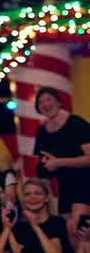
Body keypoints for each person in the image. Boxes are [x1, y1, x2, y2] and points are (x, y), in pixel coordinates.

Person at [33, 87, 90, 236]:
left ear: (58, 102)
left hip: (84, 183)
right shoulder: (42, 132)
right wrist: (46, 166)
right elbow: (43, 165)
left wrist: (59, 162)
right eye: (40, 102)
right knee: (71, 234)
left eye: (48, 99)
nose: (45, 104)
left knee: (79, 229)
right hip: (65, 188)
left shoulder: (76, 123)